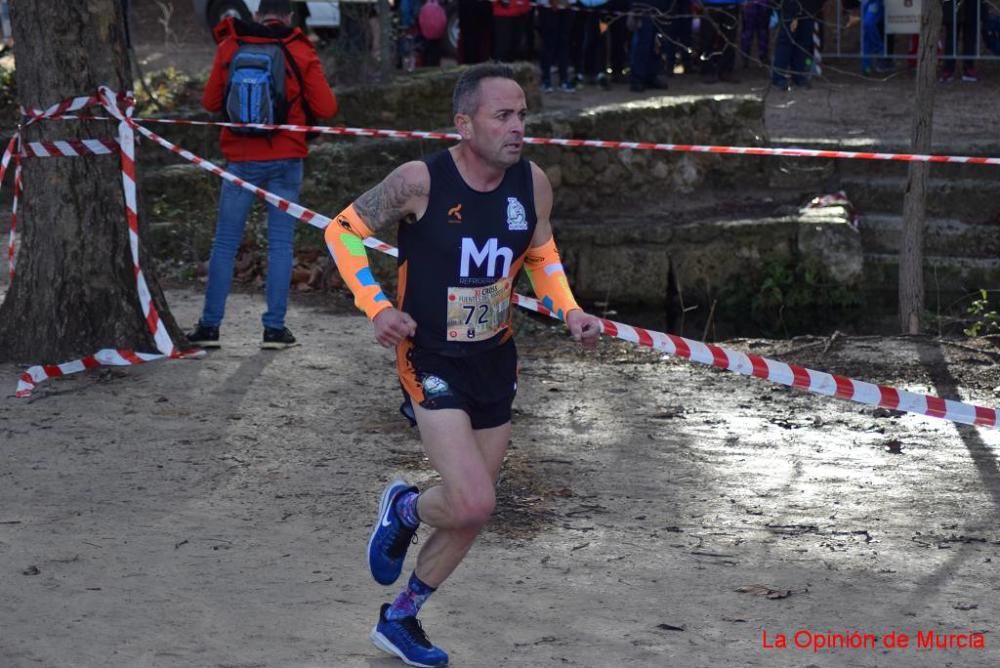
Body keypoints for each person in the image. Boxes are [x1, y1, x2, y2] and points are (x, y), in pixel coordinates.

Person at [324, 63, 602, 667]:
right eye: (503, 115)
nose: (518, 127)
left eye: (523, 114)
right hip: (429, 355)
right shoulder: (419, 180)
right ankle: (402, 508)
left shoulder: (533, 184)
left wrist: (570, 310)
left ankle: (401, 618)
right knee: (475, 501)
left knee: (471, 512)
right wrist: (375, 308)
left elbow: (541, 254)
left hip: (493, 358)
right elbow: (342, 233)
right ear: (464, 122)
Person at [187, 0, 337, 349]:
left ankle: (209, 328)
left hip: (239, 160)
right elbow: (327, 106)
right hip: (286, 159)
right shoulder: (298, 48)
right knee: (281, 245)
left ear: (255, 15)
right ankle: (274, 330)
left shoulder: (230, 45)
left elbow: (210, 103)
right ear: (289, 16)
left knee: (224, 245)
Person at [771, 0, 822, 89]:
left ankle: (798, 75)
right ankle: (779, 77)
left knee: (804, 41)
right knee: (786, 40)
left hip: (809, 8)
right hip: (789, 6)